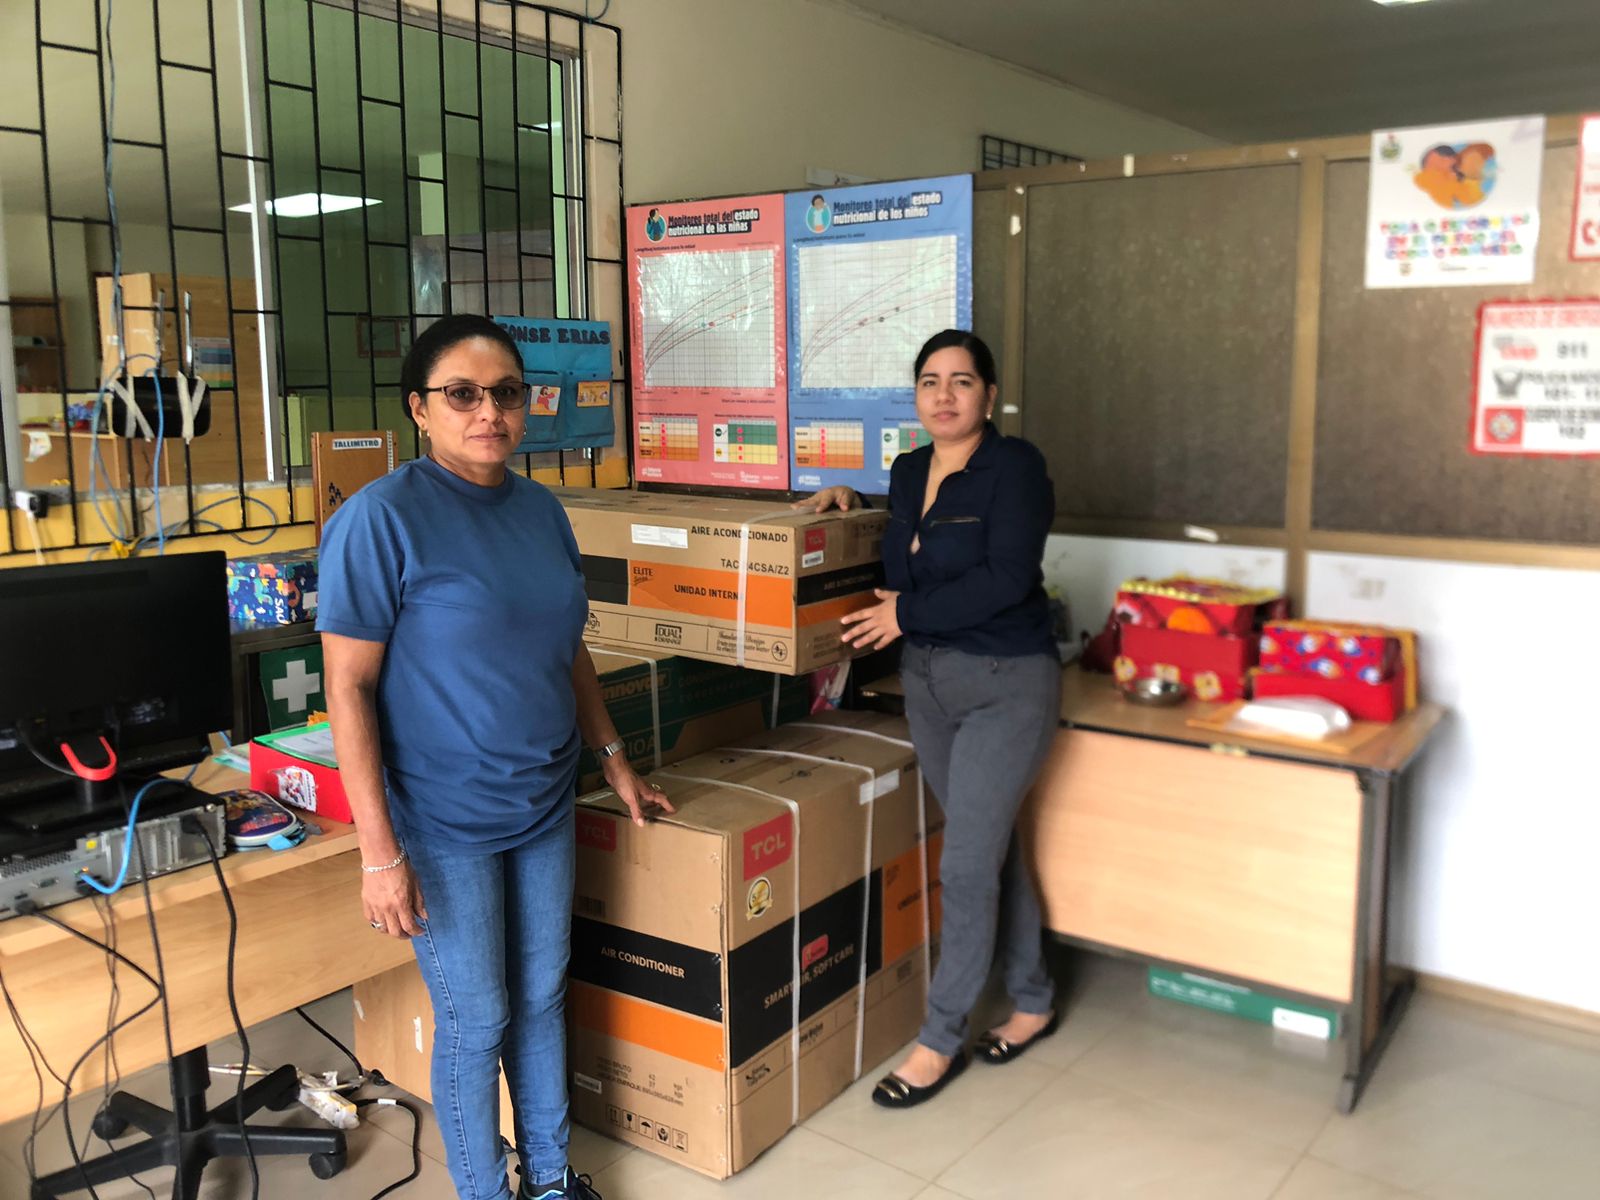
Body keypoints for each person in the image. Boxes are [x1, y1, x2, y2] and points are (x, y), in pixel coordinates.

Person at [318, 314, 672, 1200]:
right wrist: (378, 855)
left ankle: (549, 1180)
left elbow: (566, 647)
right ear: (419, 409)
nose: (489, 412)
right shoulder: (379, 520)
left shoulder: (541, 509)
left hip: (544, 799)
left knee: (543, 997)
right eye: (462, 394)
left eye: (507, 393)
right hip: (442, 819)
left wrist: (612, 757)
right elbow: (348, 689)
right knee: (478, 1021)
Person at [794, 329, 1062, 1108]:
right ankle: (1034, 997)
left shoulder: (1016, 468)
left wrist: (906, 613)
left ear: (990, 394)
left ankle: (940, 1038)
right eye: (930, 381)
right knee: (989, 849)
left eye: (962, 381)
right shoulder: (909, 471)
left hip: (1005, 683)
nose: (945, 395)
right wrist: (854, 504)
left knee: (967, 864)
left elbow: (1007, 577)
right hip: (928, 685)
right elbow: (909, 549)